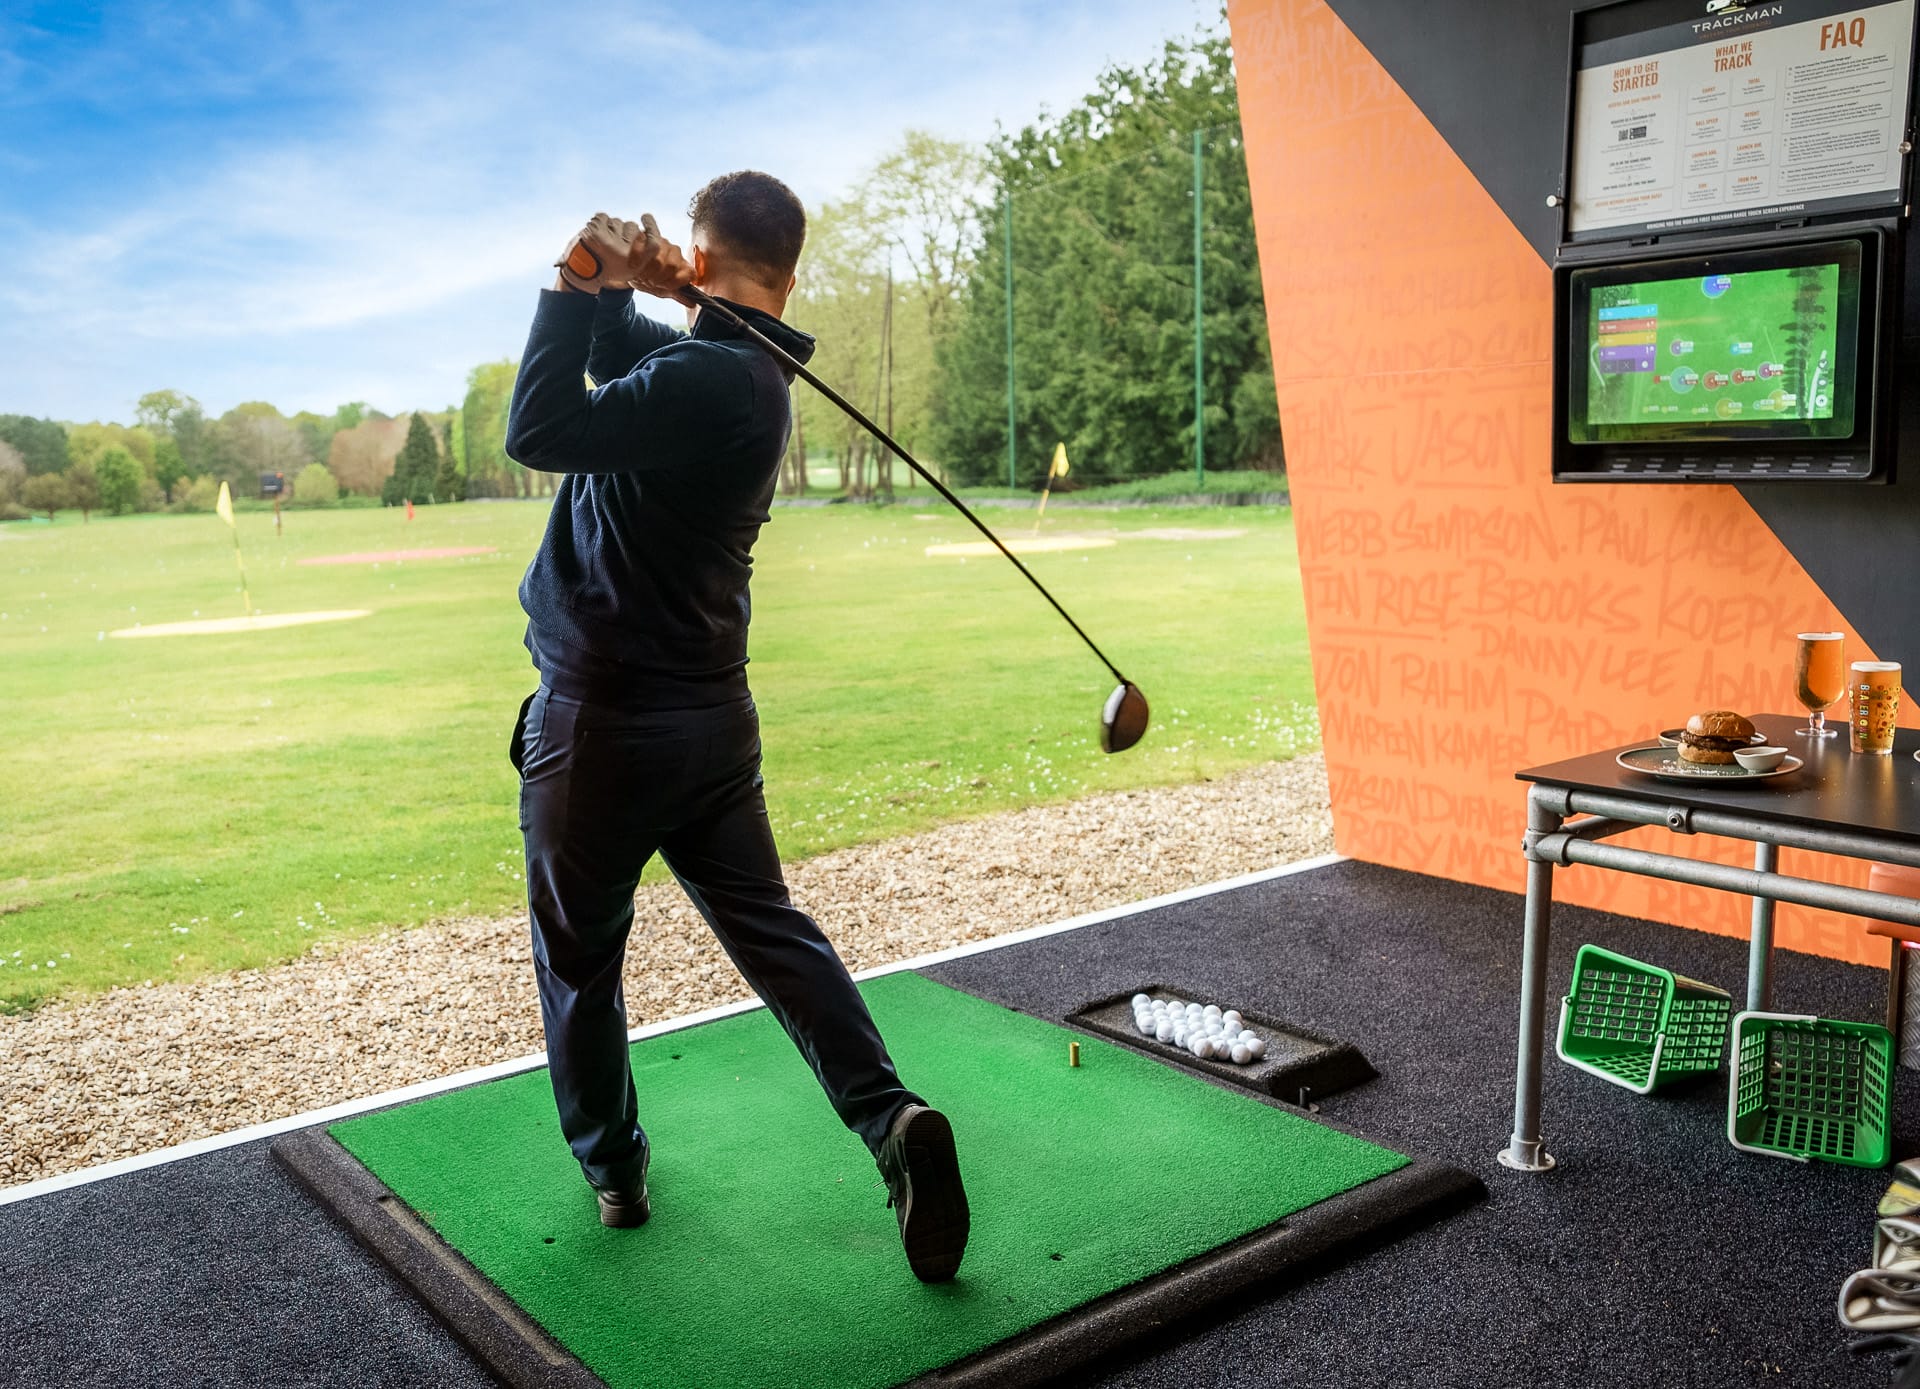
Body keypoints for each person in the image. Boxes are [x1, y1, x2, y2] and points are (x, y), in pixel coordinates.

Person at [503, 172, 969, 1283]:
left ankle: (614, 1169)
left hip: (604, 729)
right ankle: (887, 1118)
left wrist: (572, 279)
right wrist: (633, 290)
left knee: (578, 960)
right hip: (710, 725)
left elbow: (540, 428)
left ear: (705, 263)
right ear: (791, 274)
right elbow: (631, 374)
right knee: (772, 933)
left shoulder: (711, 371)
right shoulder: (737, 374)